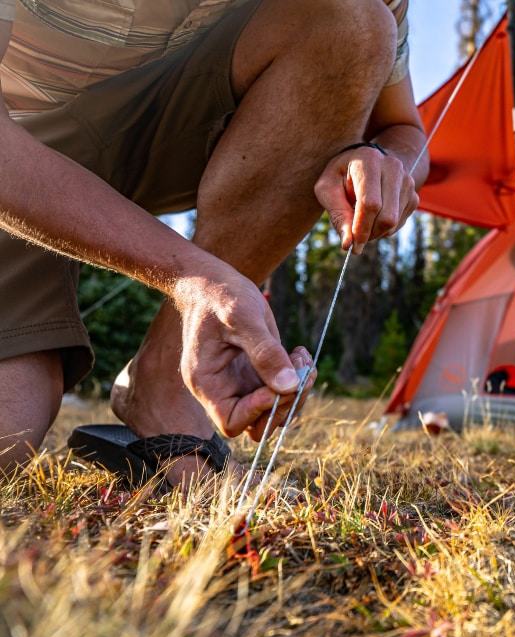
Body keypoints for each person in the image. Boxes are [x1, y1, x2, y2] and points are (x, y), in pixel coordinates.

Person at [0, 0, 427, 486]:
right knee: (6, 437)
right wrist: (191, 276)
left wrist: (385, 159)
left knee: (352, 22)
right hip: (19, 147)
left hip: (176, 131)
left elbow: (404, 128)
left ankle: (167, 382)